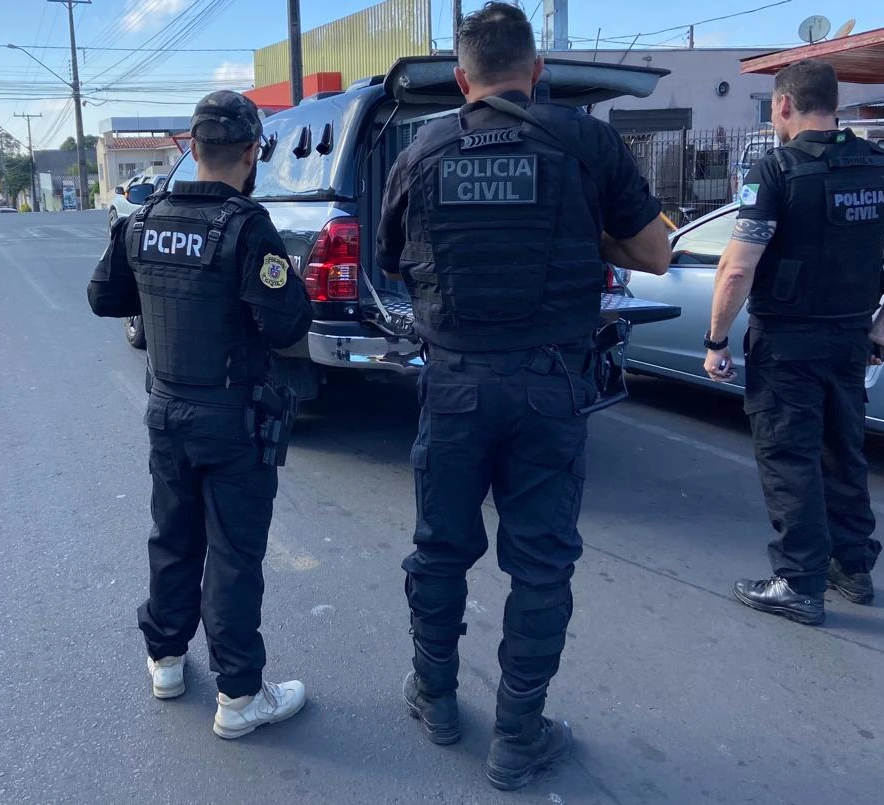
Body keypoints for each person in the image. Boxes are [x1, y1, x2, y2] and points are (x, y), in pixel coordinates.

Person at [376, 2, 670, 790]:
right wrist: (584, 233)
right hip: (550, 385)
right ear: (536, 72)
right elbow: (656, 253)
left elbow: (395, 263)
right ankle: (518, 734)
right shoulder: (586, 142)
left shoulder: (421, 149)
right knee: (541, 564)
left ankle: (436, 698)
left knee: (440, 548)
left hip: (454, 384)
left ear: (461, 79)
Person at [87, 90, 313, 738]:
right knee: (233, 555)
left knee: (173, 536)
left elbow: (103, 297)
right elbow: (287, 324)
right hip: (233, 420)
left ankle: (165, 659)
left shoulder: (145, 217)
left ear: (192, 146)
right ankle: (238, 695)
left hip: (167, 412)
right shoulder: (247, 226)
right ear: (251, 152)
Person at [703, 60, 884, 626]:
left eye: (774, 110)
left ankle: (799, 581)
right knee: (843, 452)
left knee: (790, 457)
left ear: (784, 105)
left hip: (787, 343)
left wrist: (716, 340)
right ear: (832, 103)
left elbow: (737, 268)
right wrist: (882, 327)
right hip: (851, 338)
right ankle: (852, 568)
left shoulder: (776, 170)